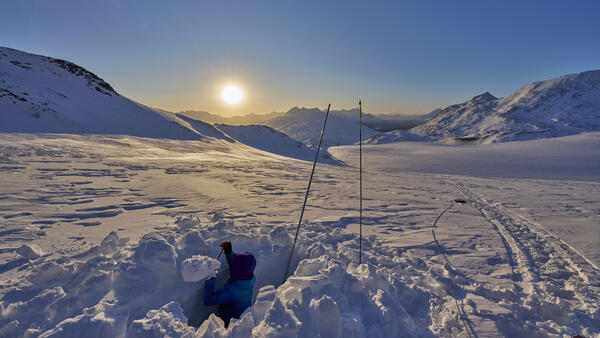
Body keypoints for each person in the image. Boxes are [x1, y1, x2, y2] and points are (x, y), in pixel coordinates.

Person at [203, 241, 256, 327]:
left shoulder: (232, 291)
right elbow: (238, 266)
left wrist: (210, 278)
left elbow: (208, 300)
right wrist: (228, 252)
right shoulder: (249, 279)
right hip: (241, 318)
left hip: (228, 324)